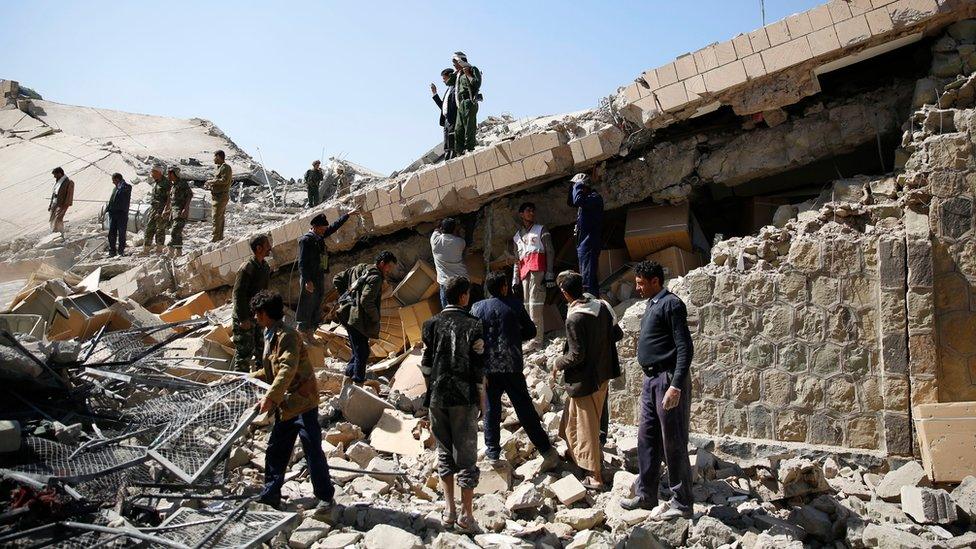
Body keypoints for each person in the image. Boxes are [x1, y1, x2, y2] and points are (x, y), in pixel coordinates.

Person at [620, 261, 694, 521]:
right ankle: (646, 494)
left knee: (673, 441)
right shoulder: (652, 304)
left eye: (641, 283)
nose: (637, 288)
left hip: (667, 379)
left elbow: (684, 347)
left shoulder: (671, 304)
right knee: (646, 438)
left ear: (655, 281)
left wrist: (675, 385)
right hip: (650, 381)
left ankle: (682, 502)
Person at [249, 290, 335, 512]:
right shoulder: (271, 335)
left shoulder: (287, 335)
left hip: (303, 402)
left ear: (266, 313)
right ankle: (270, 494)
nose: (255, 317)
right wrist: (249, 378)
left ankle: (325, 497)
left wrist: (270, 397)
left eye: (258, 313)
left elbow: (287, 368)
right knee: (276, 449)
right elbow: (272, 368)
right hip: (287, 405)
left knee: (312, 449)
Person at [471, 271, 560, 470]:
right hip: (512, 366)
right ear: (504, 287)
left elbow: (473, 338)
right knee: (524, 409)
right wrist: (513, 335)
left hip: (489, 369)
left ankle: (492, 452)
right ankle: (546, 450)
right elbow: (531, 331)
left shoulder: (477, 308)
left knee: (491, 409)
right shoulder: (515, 305)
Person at [420, 276, 484, 531]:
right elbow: (479, 364)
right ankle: (466, 516)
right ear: (463, 296)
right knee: (467, 454)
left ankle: (449, 511)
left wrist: (430, 391)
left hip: (437, 396)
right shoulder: (473, 324)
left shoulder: (430, 324)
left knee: (444, 452)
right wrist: (481, 398)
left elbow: (425, 364)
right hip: (464, 396)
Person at [550, 270, 622, 490]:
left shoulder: (575, 317)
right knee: (572, 418)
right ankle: (575, 455)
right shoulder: (602, 307)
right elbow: (617, 335)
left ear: (564, 293)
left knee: (586, 426)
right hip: (603, 374)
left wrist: (557, 363)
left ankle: (595, 475)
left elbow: (575, 355)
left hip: (585, 379)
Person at [333, 250, 397, 385]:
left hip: (347, 315)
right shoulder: (376, 277)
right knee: (362, 353)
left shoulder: (360, 268)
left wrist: (347, 298)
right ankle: (358, 384)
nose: (389, 271)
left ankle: (348, 379)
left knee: (358, 351)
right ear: (381, 264)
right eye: (389, 267)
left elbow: (337, 278)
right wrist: (375, 317)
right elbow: (366, 301)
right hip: (358, 321)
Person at [296, 211, 352, 334]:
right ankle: (303, 327)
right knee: (307, 302)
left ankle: (313, 326)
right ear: (315, 227)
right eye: (321, 229)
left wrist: (347, 215)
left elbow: (333, 227)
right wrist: (307, 281)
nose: (323, 231)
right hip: (310, 278)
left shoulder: (318, 236)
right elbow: (302, 263)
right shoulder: (306, 240)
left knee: (318, 300)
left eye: (324, 229)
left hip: (318, 275)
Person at [511, 202, 555, 351]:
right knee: (527, 306)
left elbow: (550, 251)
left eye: (533, 211)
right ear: (521, 214)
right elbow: (517, 260)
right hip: (525, 273)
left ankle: (537, 341)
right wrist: (515, 279)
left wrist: (549, 274)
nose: (531, 213)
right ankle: (532, 338)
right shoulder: (517, 237)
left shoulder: (541, 229)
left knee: (535, 305)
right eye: (528, 211)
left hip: (538, 269)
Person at [232, 235, 273, 372]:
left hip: (258, 316)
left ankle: (259, 379)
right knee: (244, 353)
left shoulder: (265, 267)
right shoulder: (247, 267)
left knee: (262, 350)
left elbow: (264, 292)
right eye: (267, 245)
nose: (270, 248)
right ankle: (240, 385)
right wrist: (243, 318)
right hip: (245, 317)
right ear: (259, 248)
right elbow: (238, 294)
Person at [567, 173, 604, 296]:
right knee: (586, 277)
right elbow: (571, 202)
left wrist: (578, 184)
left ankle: (592, 303)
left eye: (576, 187)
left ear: (584, 186)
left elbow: (577, 200)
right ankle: (592, 301)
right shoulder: (585, 201)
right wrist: (573, 187)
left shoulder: (594, 198)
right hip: (583, 245)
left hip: (589, 244)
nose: (574, 189)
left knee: (588, 279)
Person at [430, 217, 467, 307]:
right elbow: (459, 239)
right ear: (454, 230)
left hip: (446, 283)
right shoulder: (460, 242)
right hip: (461, 280)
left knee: (448, 311)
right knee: (464, 309)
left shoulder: (435, 240)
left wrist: (440, 224)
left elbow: (436, 229)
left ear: (442, 229)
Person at [452, 51, 482, 156]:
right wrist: (457, 72)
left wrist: (468, 74)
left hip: (470, 101)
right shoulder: (459, 74)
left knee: (469, 126)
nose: (454, 66)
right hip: (461, 104)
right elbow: (448, 82)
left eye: (455, 63)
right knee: (458, 128)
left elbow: (477, 83)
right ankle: (459, 151)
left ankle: (470, 149)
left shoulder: (472, 69)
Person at [143, 165, 171, 255]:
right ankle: (146, 250)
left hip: (161, 209)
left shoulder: (166, 183)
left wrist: (165, 210)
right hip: (153, 209)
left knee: (160, 229)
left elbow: (169, 198)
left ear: (159, 172)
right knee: (149, 228)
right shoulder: (156, 183)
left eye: (153, 172)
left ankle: (159, 249)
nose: (152, 174)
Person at [205, 150, 232, 242]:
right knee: (219, 218)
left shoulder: (225, 167)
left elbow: (224, 180)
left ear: (219, 157)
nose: (213, 159)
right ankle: (219, 238)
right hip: (217, 196)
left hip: (221, 197)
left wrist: (211, 181)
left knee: (216, 217)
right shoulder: (219, 168)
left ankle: (215, 238)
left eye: (214, 156)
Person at [431, 68, 458, 161]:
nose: (443, 81)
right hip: (446, 120)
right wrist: (435, 93)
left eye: (444, 78)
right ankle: (448, 161)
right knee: (447, 144)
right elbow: (443, 107)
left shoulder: (456, 89)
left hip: (453, 119)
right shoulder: (448, 90)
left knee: (452, 143)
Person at [106, 173, 132, 257]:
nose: (113, 182)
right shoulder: (115, 188)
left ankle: (121, 251)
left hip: (121, 213)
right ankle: (112, 251)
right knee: (112, 233)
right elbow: (112, 199)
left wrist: (120, 184)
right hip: (113, 213)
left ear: (117, 179)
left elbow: (122, 191)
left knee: (121, 233)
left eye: (113, 180)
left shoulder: (126, 187)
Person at [168, 167, 192, 257]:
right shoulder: (173, 185)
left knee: (174, 231)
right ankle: (178, 252)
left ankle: (171, 250)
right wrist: (168, 210)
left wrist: (186, 209)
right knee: (177, 232)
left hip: (180, 212)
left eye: (170, 173)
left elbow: (190, 195)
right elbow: (172, 200)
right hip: (174, 213)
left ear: (175, 174)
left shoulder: (182, 184)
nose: (169, 175)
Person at [49, 167, 74, 235]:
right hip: (55, 202)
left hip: (62, 204)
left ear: (60, 173)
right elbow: (54, 193)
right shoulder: (58, 181)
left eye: (55, 175)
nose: (54, 177)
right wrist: (50, 204)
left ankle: (60, 233)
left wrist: (65, 205)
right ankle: (53, 233)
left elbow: (69, 195)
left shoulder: (68, 182)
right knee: (52, 218)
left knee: (58, 219)